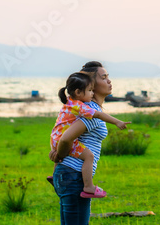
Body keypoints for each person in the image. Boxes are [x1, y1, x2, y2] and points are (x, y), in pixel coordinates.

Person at [49, 61, 131, 225]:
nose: (109, 81)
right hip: (74, 176)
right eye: (104, 77)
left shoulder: (86, 108)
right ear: (91, 84)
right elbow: (66, 138)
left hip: (68, 175)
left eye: (108, 77)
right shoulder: (90, 112)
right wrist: (59, 155)